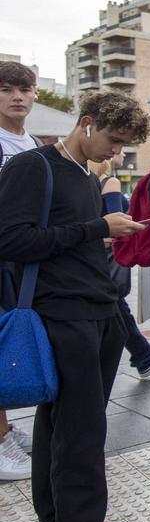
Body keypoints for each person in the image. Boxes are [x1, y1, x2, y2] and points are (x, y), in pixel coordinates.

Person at [0, 90, 150, 522]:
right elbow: (10, 239)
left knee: (62, 426)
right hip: (63, 318)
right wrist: (94, 228)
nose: (116, 153)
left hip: (95, 311)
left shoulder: (87, 175)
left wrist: (103, 233)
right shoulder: (34, 167)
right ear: (86, 123)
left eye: (125, 145)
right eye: (113, 140)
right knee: (81, 434)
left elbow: (69, 237)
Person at [0, 60, 42, 482]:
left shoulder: (30, 143)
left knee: (7, 343)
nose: (17, 96)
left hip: (22, 261)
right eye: (7, 89)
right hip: (4, 255)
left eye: (24, 89)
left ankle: (5, 429)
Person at [90, 159, 150, 380]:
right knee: (119, 310)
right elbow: (117, 223)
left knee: (117, 311)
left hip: (90, 258)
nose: (118, 153)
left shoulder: (87, 185)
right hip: (107, 258)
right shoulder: (109, 182)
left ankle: (143, 356)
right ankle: (143, 357)